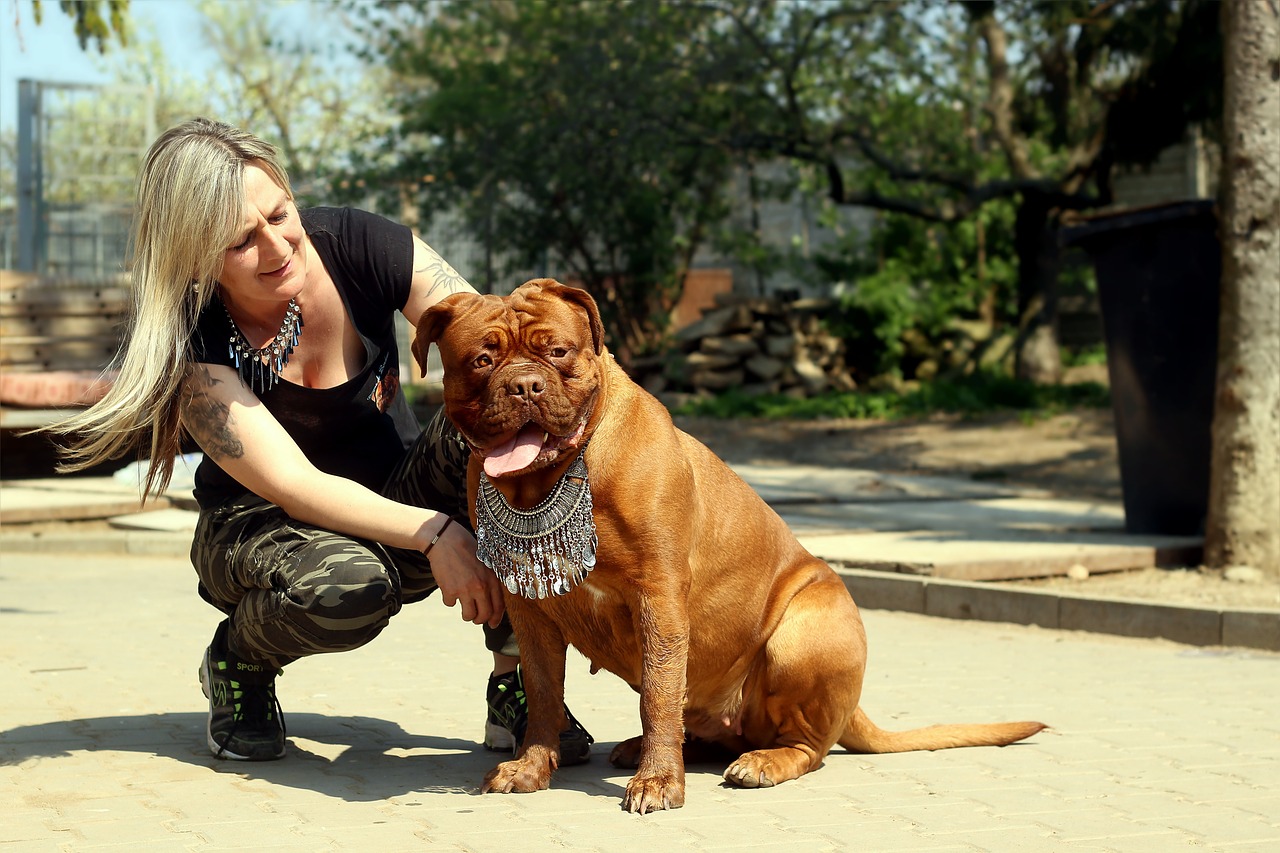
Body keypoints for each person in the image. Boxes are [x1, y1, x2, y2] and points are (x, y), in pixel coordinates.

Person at [46, 117, 593, 763]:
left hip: (396, 493)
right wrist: (439, 533)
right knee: (351, 588)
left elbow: (490, 341)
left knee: (501, 426)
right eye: (240, 241)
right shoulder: (190, 341)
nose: (277, 245)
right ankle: (238, 662)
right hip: (259, 529)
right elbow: (297, 487)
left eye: (280, 213)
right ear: (195, 255)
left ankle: (517, 679)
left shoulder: (361, 243)